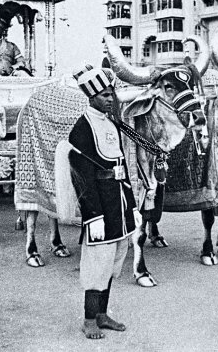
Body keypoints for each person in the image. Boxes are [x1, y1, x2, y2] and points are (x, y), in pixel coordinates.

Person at [69, 67, 141, 340]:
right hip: (99, 206)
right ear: (91, 97)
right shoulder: (82, 129)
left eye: (111, 93)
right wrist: (93, 215)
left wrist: (132, 206)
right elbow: (82, 177)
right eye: (104, 95)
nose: (110, 98)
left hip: (119, 204)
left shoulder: (111, 124)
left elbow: (122, 167)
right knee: (97, 264)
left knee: (112, 263)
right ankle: (89, 320)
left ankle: (102, 314)